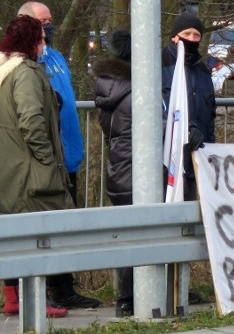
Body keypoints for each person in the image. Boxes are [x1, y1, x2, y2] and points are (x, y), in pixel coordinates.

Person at [16, 1, 101, 309]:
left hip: (68, 159)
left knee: (66, 225)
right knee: (41, 227)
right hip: (43, 162)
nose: (49, 26)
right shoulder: (23, 63)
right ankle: (45, 289)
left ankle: (64, 287)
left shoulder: (55, 58)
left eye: (51, 20)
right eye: (43, 21)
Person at [0, 16, 72, 318]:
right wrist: (48, 161)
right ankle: (34, 300)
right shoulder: (26, 73)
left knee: (15, 234)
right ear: (31, 41)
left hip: (11, 169)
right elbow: (31, 121)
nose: (45, 43)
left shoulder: (5, 71)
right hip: (29, 171)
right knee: (35, 236)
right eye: (41, 38)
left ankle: (14, 297)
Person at [92, 29, 135, 316]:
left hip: (119, 167)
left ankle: (127, 296)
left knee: (128, 233)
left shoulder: (109, 88)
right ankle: (131, 297)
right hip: (135, 168)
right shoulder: (135, 89)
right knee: (139, 234)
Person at [162, 13, 215, 201]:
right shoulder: (160, 66)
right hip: (168, 162)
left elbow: (210, 116)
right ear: (174, 37)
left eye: (196, 35)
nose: (192, 39)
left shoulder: (202, 71)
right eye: (187, 33)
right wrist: (185, 129)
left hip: (198, 158)